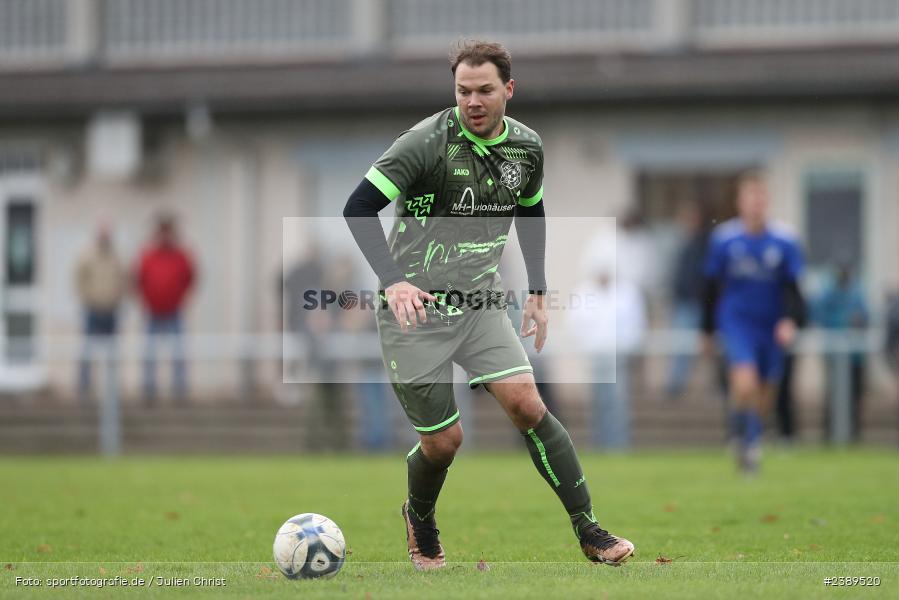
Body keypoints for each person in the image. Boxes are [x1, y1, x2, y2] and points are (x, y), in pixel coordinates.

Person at [342, 40, 634, 570]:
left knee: (528, 405)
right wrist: (393, 281)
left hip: (480, 302)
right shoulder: (424, 144)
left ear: (508, 89)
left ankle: (589, 529)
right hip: (416, 313)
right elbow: (358, 206)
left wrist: (538, 291)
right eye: (462, 91)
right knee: (444, 443)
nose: (472, 101)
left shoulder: (526, 147)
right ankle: (419, 518)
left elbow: (531, 209)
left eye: (484, 90)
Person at [702, 171, 806, 473]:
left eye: (760, 198)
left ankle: (751, 438)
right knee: (745, 381)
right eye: (750, 198)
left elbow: (794, 289)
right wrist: (706, 329)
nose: (755, 204)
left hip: (770, 324)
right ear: (740, 202)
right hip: (737, 322)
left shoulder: (785, 240)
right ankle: (741, 438)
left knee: (765, 392)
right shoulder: (724, 239)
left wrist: (790, 320)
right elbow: (710, 287)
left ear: (766, 201)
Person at [568, 262, 646, 449]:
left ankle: (618, 445)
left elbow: (636, 324)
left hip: (619, 357)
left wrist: (627, 348)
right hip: (595, 357)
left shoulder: (628, 292)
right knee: (598, 403)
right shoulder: (583, 292)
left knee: (617, 402)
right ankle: (599, 444)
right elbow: (575, 324)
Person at [136, 214, 196, 406]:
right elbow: (138, 279)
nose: (165, 235)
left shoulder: (181, 256)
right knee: (149, 353)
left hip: (174, 312)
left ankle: (179, 390)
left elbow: (190, 278)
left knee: (178, 352)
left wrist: (179, 297)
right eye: (162, 231)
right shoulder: (148, 255)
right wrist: (148, 299)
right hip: (153, 312)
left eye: (168, 231)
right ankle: (149, 390)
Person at [813, 264, 869, 442]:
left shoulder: (856, 292)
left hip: (855, 356)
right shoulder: (827, 294)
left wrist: (859, 321)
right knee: (834, 394)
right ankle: (830, 433)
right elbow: (819, 316)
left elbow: (866, 315)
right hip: (834, 354)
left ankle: (853, 432)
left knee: (855, 394)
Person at [75, 224, 127, 404]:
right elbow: (78, 279)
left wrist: (117, 297)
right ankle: (83, 387)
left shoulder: (117, 257)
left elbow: (124, 279)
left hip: (111, 310)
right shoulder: (87, 256)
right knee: (87, 351)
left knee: (113, 353)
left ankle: (112, 387)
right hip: (93, 309)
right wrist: (88, 297)